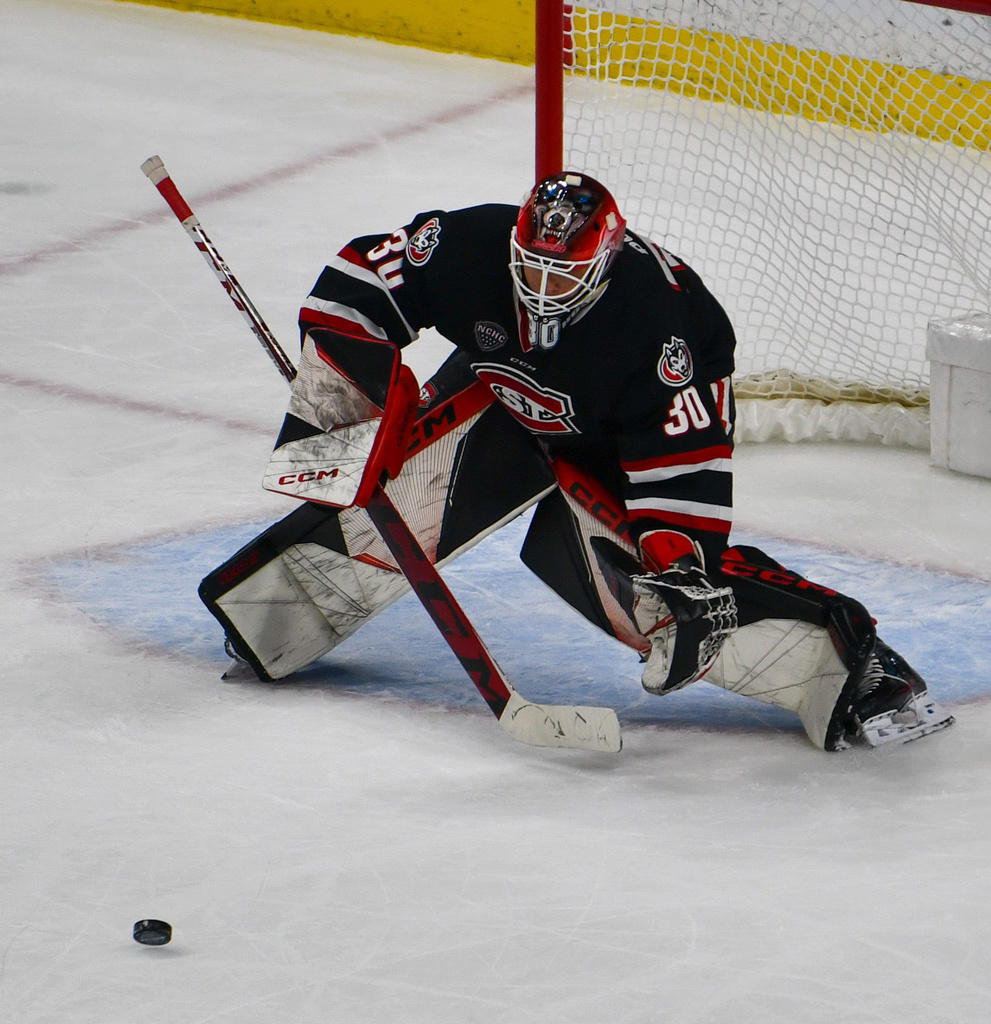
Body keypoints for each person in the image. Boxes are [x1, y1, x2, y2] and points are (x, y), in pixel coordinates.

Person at [200, 171, 954, 751]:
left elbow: (681, 477)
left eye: (562, 275)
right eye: (529, 265)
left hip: (613, 448)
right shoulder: (469, 246)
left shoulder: (664, 333)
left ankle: (854, 668)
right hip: (502, 393)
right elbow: (355, 285)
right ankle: (279, 614)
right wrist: (359, 399)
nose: (539, 287)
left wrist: (673, 562)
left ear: (606, 256)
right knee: (397, 482)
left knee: (664, 600)